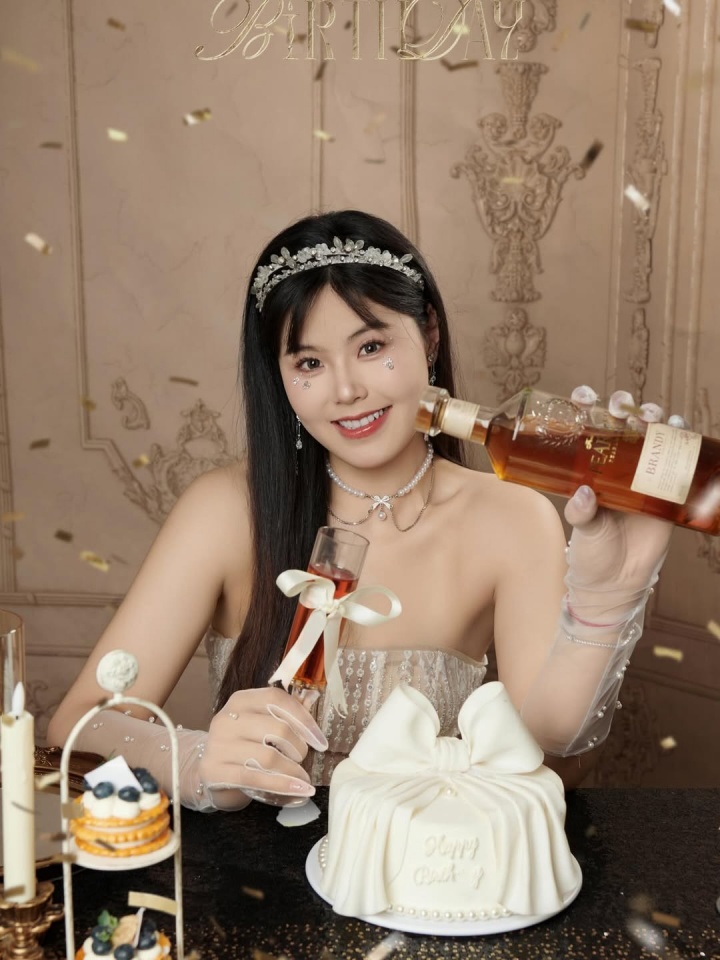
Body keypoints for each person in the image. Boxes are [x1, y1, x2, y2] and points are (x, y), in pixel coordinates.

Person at [47, 210, 675, 810]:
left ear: (429, 335)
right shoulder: (226, 512)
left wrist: (606, 605)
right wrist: (196, 762)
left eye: (371, 347)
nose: (346, 389)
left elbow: (552, 767)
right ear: (279, 377)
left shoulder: (512, 519)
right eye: (309, 363)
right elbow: (76, 726)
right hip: (252, 874)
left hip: (431, 874)